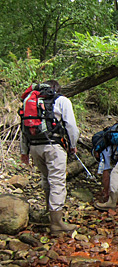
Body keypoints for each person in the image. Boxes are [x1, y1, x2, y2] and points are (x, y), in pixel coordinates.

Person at [20, 80, 79, 236]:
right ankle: (57, 223)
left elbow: (24, 126)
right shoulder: (61, 100)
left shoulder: (29, 101)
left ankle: (49, 213)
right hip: (53, 146)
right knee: (57, 181)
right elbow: (71, 126)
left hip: (34, 146)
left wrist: (24, 151)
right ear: (57, 89)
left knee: (46, 179)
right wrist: (73, 145)